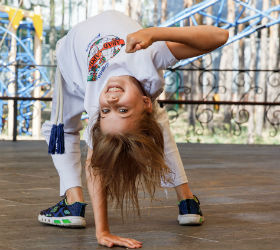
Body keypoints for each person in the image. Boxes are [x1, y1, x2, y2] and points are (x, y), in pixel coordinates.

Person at [38, 10, 228, 248]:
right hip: (116, 50)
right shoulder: (148, 57)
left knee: (60, 128)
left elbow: (93, 165)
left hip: (72, 60)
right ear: (146, 101)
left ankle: (73, 203)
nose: (112, 102)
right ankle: (187, 200)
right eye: (123, 110)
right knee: (153, 125)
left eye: (106, 112)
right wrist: (155, 33)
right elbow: (219, 36)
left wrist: (103, 231)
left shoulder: (94, 101)